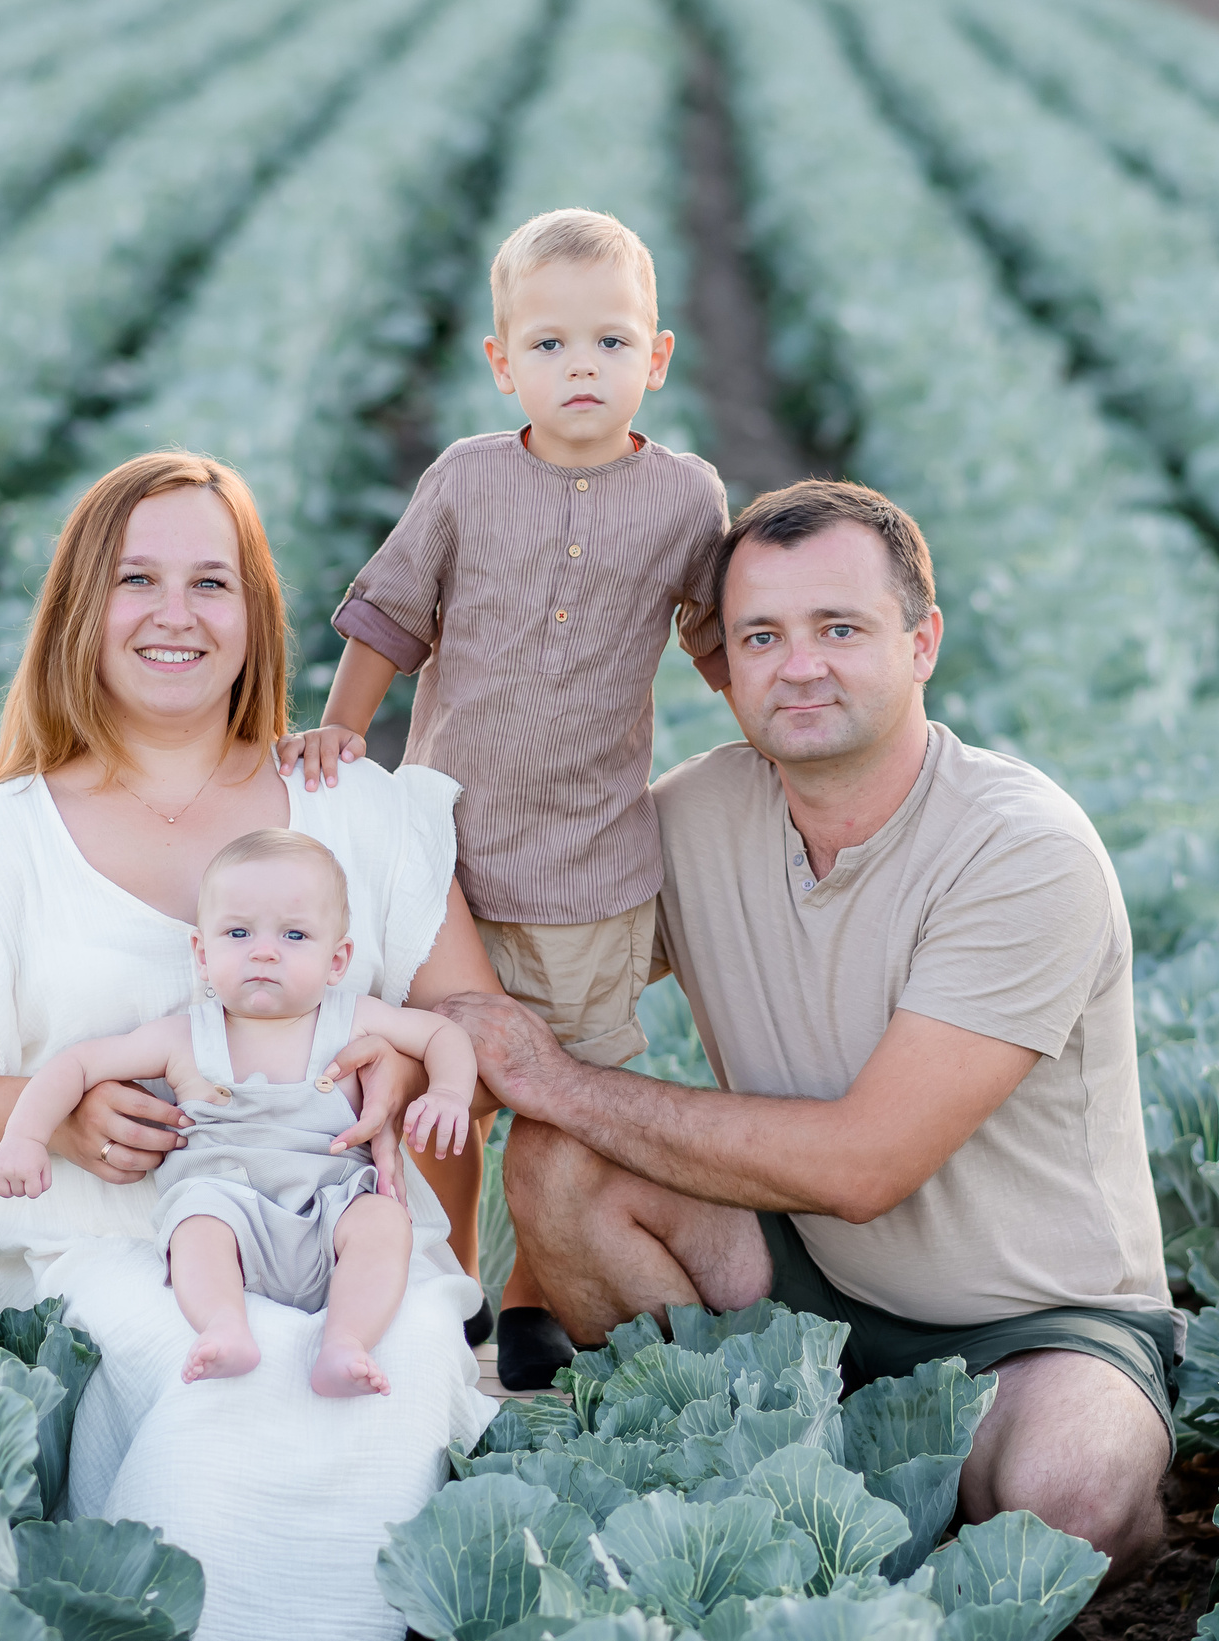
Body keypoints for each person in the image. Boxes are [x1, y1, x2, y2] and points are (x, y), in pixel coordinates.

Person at [439, 481, 1179, 1579]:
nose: (799, 666)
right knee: (560, 1170)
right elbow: (522, 935)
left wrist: (549, 1077)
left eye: (839, 629)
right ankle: (777, 1468)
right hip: (798, 1276)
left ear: (921, 642)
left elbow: (864, 1165)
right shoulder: (696, 817)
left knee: (1059, 1508)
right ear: (722, 665)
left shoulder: (1021, 852)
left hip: (1030, 1323)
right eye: (761, 637)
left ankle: (1008, 1498)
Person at [0, 452, 501, 1641]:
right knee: (220, 1402)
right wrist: (56, 1112)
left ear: (255, 616)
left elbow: (473, 1022)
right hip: (107, 1247)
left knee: (371, 1386)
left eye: (212, 583)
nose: (176, 615)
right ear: (82, 609)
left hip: (348, 1232)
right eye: (138, 580)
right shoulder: (3, 840)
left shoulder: (355, 806)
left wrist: (400, 1067)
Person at [280, 207, 729, 1386]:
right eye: (547, 347)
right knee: (445, 1094)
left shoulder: (686, 499)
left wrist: (772, 743)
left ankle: (533, 1288)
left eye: (610, 345)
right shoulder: (469, 481)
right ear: (500, 363)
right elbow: (391, 611)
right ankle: (452, 1277)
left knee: (561, 1103)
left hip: (588, 872)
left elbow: (719, 635)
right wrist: (339, 726)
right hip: (448, 865)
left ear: (658, 358)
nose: (580, 369)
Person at [0, 828, 476, 1396]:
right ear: (202, 953)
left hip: (333, 1202)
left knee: (385, 1223)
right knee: (196, 1226)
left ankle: (346, 1341)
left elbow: (443, 1034)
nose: (264, 951)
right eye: (238, 932)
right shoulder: (186, 1037)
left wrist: (448, 1093)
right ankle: (223, 1325)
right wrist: (25, 1134)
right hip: (227, 1203)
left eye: (294, 935)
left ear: (337, 959)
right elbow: (78, 1064)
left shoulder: (353, 1018)